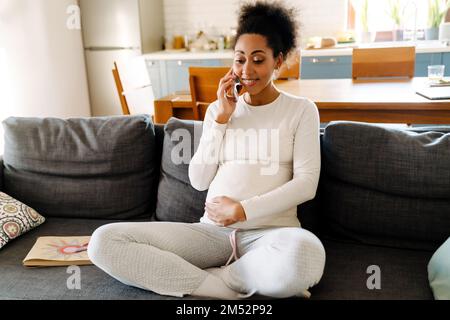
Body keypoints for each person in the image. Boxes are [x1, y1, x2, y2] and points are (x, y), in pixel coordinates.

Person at [88, 0, 326, 300]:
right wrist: (220, 120)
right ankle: (222, 289)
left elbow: (306, 184)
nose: (246, 70)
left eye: (258, 59)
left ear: (278, 61)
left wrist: (243, 210)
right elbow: (199, 180)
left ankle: (217, 278)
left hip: (271, 235)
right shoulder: (218, 111)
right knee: (104, 241)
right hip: (211, 233)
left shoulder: (301, 110)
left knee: (307, 254)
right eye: (240, 59)